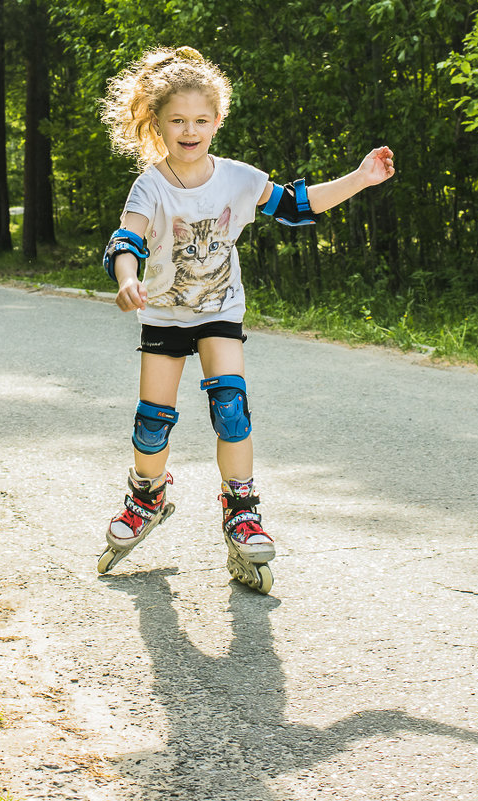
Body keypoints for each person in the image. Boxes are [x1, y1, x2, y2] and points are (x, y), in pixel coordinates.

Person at [96, 46, 395, 590]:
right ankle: (148, 496)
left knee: (230, 405)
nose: (190, 131)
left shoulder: (237, 177)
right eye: (177, 121)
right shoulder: (151, 184)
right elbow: (128, 238)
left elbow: (296, 206)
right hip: (163, 311)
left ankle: (242, 509)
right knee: (152, 420)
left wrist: (359, 178)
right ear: (158, 123)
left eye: (201, 121)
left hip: (219, 310)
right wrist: (126, 277)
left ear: (218, 121)